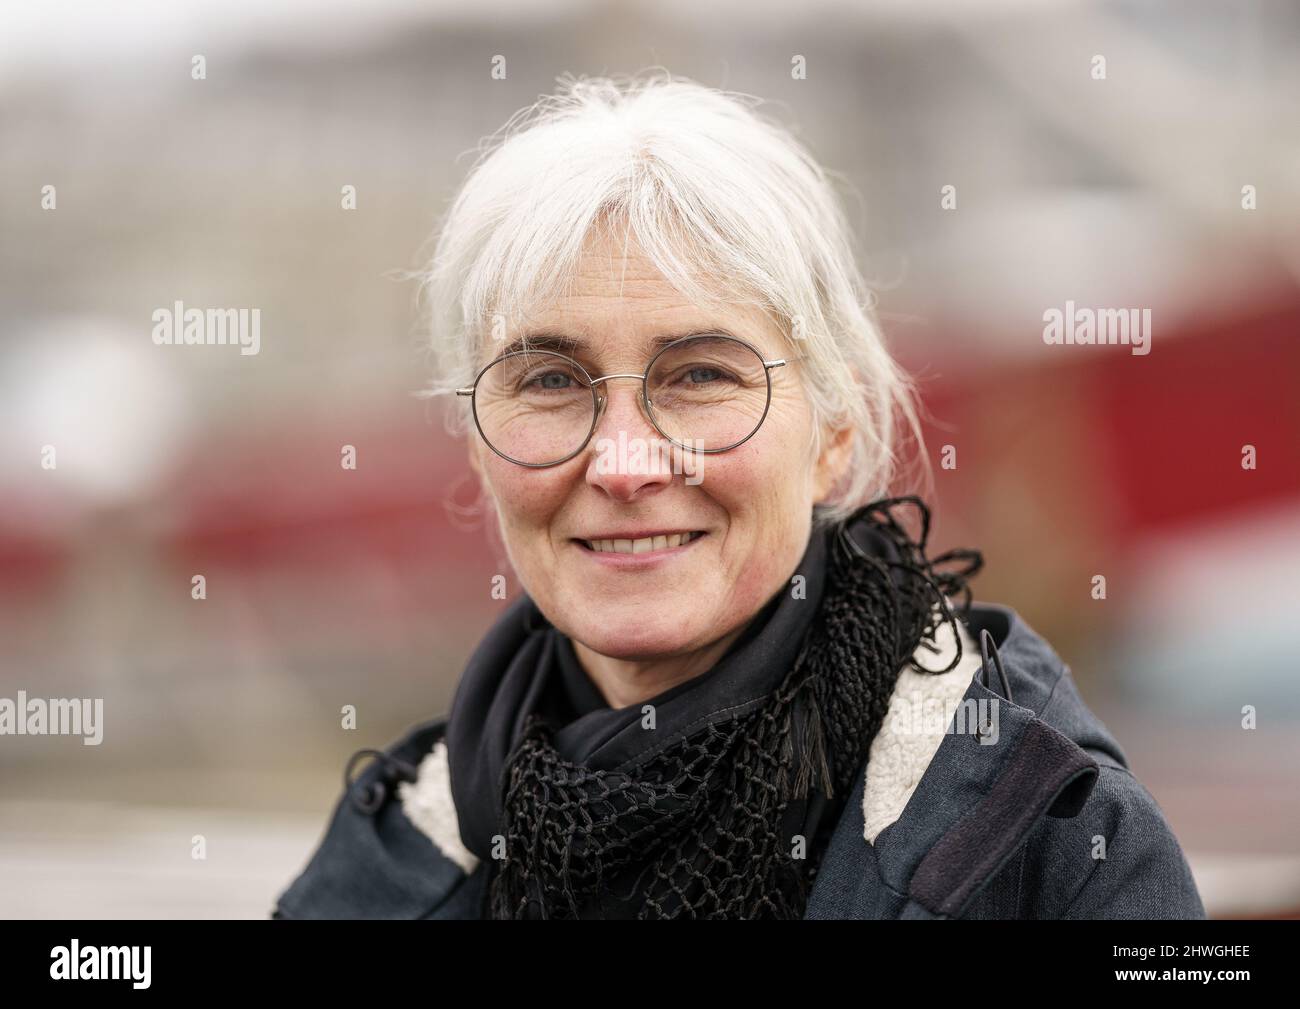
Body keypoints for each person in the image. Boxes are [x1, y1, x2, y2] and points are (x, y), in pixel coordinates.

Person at [272, 72, 1205, 920]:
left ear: (834, 434)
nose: (624, 463)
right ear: (476, 444)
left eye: (700, 375)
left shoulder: (1045, 837)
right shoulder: (388, 867)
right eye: (552, 382)